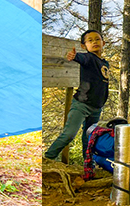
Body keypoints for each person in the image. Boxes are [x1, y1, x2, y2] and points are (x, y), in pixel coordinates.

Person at [43, 30, 111, 162]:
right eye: (90, 40)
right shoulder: (88, 58)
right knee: (69, 134)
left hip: (96, 107)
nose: (94, 42)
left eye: (97, 39)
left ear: (103, 43)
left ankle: (87, 164)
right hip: (82, 104)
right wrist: (74, 56)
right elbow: (82, 58)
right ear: (83, 46)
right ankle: (48, 158)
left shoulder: (104, 63)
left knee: (89, 137)